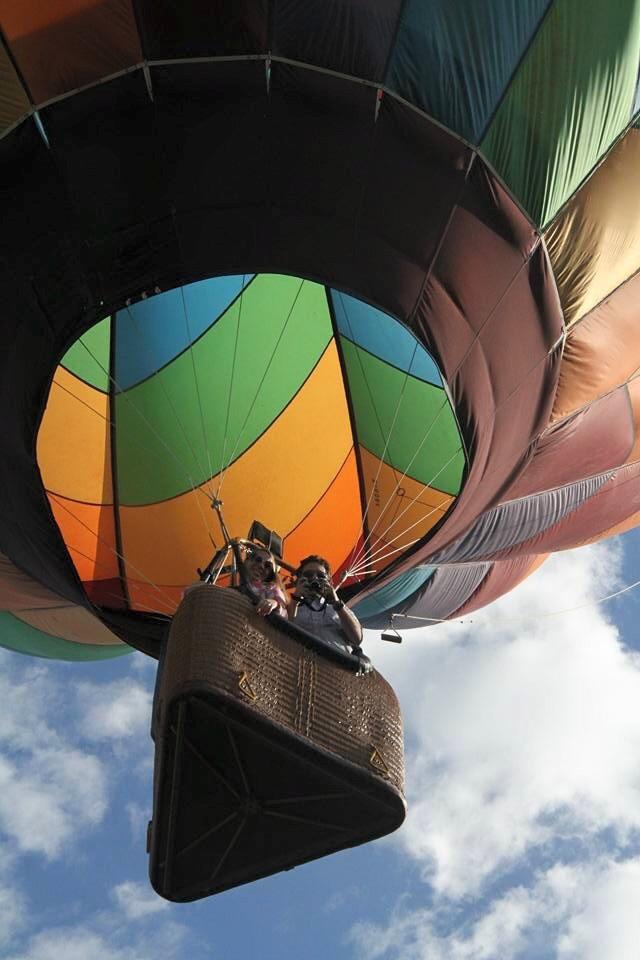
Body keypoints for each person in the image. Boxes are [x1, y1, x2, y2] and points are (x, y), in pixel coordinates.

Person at [288, 555, 362, 654]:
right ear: (299, 580)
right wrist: (295, 599)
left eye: (321, 576)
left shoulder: (339, 609)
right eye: (308, 575)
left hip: (336, 665)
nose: (315, 579)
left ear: (329, 582)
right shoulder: (290, 606)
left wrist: (337, 604)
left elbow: (357, 639)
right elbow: (283, 633)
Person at [241, 545, 288, 618]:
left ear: (270, 574)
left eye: (268, 565)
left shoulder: (271, 589)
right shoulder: (234, 588)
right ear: (246, 561)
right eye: (257, 559)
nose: (261, 566)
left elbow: (284, 615)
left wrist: (275, 604)